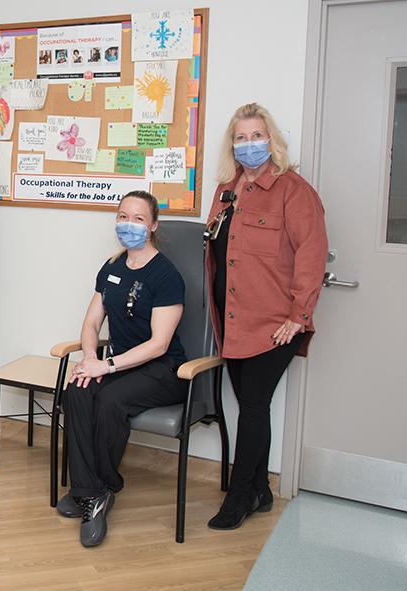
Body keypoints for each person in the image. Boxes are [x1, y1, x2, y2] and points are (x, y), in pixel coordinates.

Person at [204, 103, 327, 530]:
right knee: (252, 406)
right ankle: (260, 490)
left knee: (253, 407)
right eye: (241, 137)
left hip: (274, 324)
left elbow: (311, 256)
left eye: (257, 136)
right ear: (232, 144)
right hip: (232, 322)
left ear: (271, 141)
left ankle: (237, 499)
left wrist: (299, 315)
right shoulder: (226, 191)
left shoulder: (295, 192)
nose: (249, 144)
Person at [57, 191, 187, 548]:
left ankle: (98, 488)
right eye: (123, 216)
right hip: (117, 365)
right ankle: (90, 491)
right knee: (79, 389)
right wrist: (89, 361)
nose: (129, 225)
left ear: (153, 226)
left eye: (138, 219)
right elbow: (90, 323)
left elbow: (159, 344)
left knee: (111, 400)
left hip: (163, 370)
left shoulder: (166, 275)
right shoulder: (112, 268)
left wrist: (107, 365)